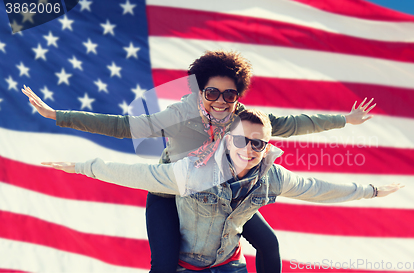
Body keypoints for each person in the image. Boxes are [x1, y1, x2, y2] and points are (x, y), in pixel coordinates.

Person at [23, 50, 376, 273]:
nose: (221, 101)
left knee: (268, 244)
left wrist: (346, 119)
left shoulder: (245, 119)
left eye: (229, 94)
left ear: (237, 95)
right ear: (199, 93)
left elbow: (293, 124)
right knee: (164, 264)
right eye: (212, 93)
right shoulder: (181, 114)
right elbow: (124, 126)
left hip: (222, 195)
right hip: (171, 189)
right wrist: (59, 115)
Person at [43, 109, 403, 273]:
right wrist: (81, 165)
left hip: (228, 256)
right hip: (175, 198)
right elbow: (133, 156)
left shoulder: (267, 164)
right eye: (242, 142)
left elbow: (316, 186)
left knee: (269, 241)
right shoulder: (189, 147)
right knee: (165, 263)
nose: (250, 149)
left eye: (259, 145)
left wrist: (370, 189)